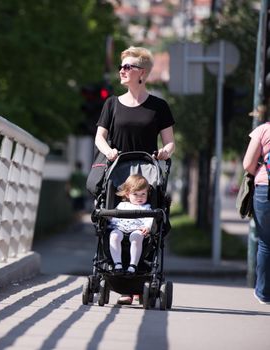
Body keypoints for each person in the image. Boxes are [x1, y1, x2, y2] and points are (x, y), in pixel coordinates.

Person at [94, 46, 175, 305]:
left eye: (128, 67)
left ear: (142, 73)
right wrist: (108, 152)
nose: (122, 70)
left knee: (146, 225)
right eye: (122, 66)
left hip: (147, 173)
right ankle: (123, 281)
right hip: (118, 172)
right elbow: (100, 137)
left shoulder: (158, 106)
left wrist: (164, 152)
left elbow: (170, 142)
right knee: (115, 223)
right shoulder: (112, 104)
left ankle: (140, 283)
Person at [242, 121, 270, 305]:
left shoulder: (264, 129)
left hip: (265, 189)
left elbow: (248, 164)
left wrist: (259, 170)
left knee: (266, 243)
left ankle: (264, 293)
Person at [109, 174, 153, 284]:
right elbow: (114, 218)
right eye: (136, 194)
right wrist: (109, 221)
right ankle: (117, 264)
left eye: (143, 194)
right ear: (128, 194)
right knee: (114, 236)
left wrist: (147, 227)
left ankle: (133, 266)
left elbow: (150, 219)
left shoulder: (146, 208)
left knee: (136, 237)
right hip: (120, 228)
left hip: (137, 229)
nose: (140, 197)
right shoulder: (122, 205)